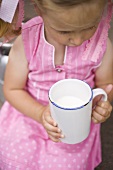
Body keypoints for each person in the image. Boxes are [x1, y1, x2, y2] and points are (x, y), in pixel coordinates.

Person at [0, 0, 113, 169]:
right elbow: (12, 89)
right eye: (64, 30)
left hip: (75, 122)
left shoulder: (100, 44)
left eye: (89, 27)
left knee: (66, 164)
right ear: (39, 10)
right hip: (29, 112)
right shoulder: (27, 40)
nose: (77, 40)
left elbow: (106, 84)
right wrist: (39, 113)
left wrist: (101, 104)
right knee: (12, 155)